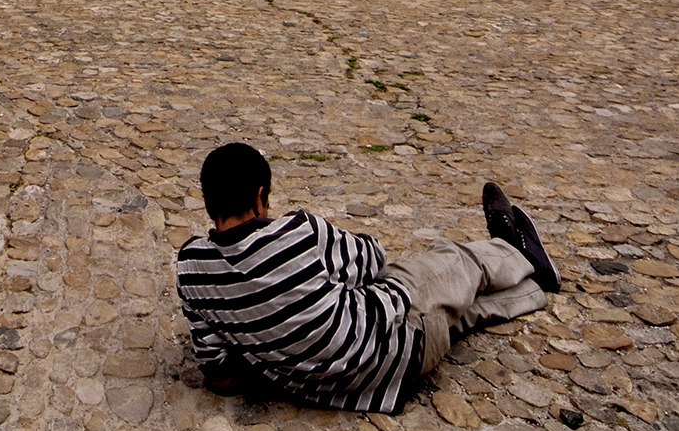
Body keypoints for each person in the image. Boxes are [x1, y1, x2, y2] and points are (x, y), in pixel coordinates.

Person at [176, 142, 558, 414]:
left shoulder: (191, 268)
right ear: (260, 197)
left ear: (209, 203)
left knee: (460, 315)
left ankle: (536, 286)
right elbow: (374, 259)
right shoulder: (296, 232)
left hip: (355, 384)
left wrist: (281, 347)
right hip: (400, 338)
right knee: (450, 262)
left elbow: (220, 378)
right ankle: (517, 250)